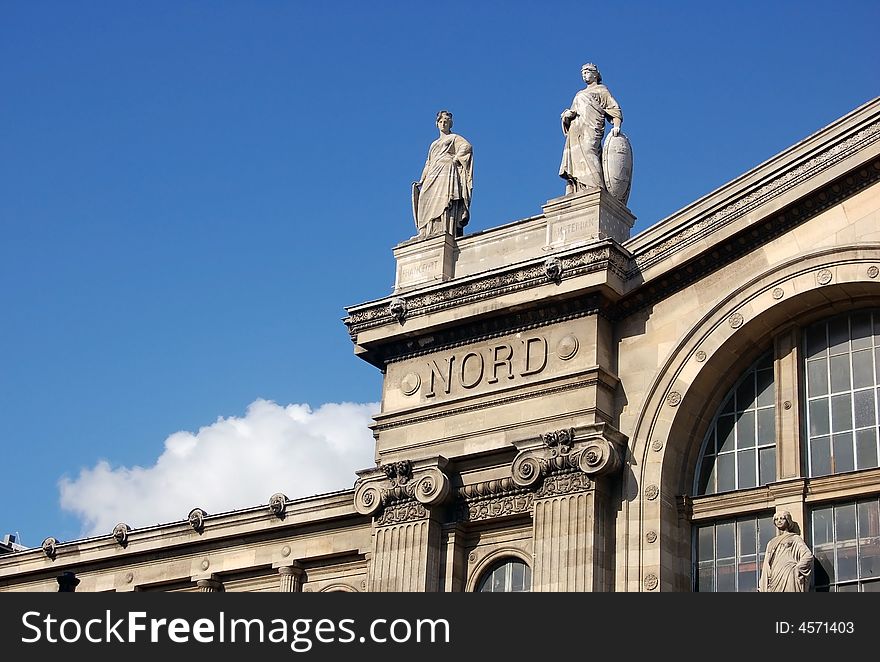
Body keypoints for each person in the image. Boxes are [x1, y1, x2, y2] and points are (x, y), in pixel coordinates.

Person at [559, 63, 623, 195]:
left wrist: (616, 126)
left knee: (589, 152)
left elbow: (615, 110)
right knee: (576, 158)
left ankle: (596, 187)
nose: (584, 74)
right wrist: (566, 116)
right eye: (583, 72)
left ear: (596, 74)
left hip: (591, 129)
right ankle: (577, 187)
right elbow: (572, 112)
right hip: (576, 131)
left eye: (587, 71)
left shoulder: (602, 90)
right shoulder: (579, 94)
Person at [413, 110, 473, 239]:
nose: (443, 123)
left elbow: (467, 146)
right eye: (441, 121)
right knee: (424, 196)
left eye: (446, 121)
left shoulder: (454, 138)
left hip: (446, 170)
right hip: (433, 171)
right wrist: (421, 180)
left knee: (445, 199)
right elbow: (428, 163)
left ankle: (443, 228)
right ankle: (425, 230)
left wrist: (455, 158)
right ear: (437, 124)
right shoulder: (433, 144)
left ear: (450, 123)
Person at [758, 510, 814, 592]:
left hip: (789, 573)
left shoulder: (794, 538)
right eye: (776, 519)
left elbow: (807, 555)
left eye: (782, 518)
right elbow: (766, 564)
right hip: (774, 576)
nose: (779, 521)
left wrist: (797, 568)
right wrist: (763, 585)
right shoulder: (771, 543)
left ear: (788, 520)